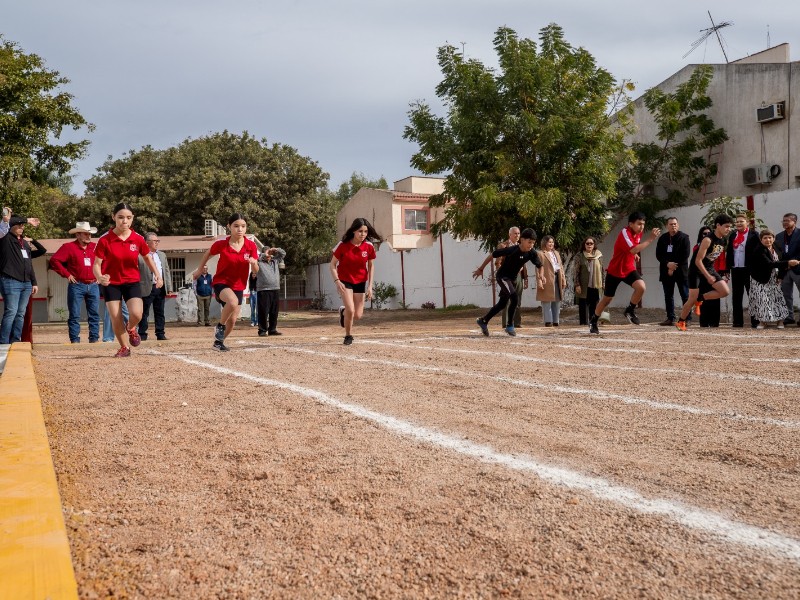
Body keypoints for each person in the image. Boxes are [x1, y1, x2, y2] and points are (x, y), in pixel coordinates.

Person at [93, 203, 162, 357]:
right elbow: (96, 264)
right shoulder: (105, 240)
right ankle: (125, 347)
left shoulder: (137, 239)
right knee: (115, 316)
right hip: (111, 283)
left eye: (128, 218)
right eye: (121, 217)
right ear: (113, 218)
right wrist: (100, 277)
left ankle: (131, 328)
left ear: (132, 219)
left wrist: (157, 274)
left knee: (137, 314)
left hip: (131, 280)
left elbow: (147, 257)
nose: (125, 221)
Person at [191, 213, 259, 352]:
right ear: (229, 227)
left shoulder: (250, 245)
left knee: (233, 321)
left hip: (239, 285)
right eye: (236, 226)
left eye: (243, 226)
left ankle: (218, 342)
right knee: (232, 302)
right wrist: (199, 270)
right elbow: (208, 253)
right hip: (221, 282)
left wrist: (253, 264)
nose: (240, 229)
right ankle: (220, 326)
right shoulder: (222, 244)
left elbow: (256, 269)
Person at [589, 212, 660, 334]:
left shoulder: (638, 233)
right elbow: (633, 248)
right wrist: (651, 239)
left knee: (641, 287)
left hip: (628, 269)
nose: (641, 227)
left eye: (643, 224)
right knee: (607, 299)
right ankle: (594, 320)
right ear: (630, 224)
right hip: (615, 270)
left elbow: (632, 249)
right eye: (639, 224)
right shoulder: (625, 233)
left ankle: (630, 310)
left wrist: (635, 254)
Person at [475, 228, 544, 337]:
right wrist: (481, 269)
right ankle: (510, 325)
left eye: (533, 243)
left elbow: (540, 265)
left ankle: (483, 321)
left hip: (511, 279)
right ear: (522, 240)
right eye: (529, 242)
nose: (531, 245)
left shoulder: (531, 253)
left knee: (502, 303)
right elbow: (493, 255)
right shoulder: (512, 250)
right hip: (502, 276)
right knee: (514, 297)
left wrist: (541, 276)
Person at [675, 214, 733, 331]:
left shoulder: (723, 240)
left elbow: (711, 259)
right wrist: (707, 276)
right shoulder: (707, 240)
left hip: (709, 268)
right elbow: (697, 261)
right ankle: (681, 321)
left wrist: (711, 274)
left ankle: (700, 298)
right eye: (726, 226)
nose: (729, 229)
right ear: (718, 225)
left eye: (729, 227)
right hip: (696, 271)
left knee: (725, 291)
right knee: (691, 300)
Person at [330, 218, 381, 345]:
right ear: (353, 231)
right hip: (345, 280)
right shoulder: (342, 245)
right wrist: (337, 281)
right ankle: (348, 335)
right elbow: (332, 265)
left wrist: (370, 286)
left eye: (365, 231)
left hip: (360, 281)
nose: (363, 234)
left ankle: (343, 311)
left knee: (357, 315)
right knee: (351, 311)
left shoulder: (368, 246)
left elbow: (371, 266)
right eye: (360, 231)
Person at [49, 221, 101, 343]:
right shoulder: (68, 247)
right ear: (78, 235)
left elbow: (104, 261)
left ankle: (94, 339)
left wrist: (100, 275)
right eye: (85, 234)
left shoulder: (95, 247)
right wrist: (67, 274)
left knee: (94, 314)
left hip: (93, 284)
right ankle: (75, 340)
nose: (89, 237)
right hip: (77, 285)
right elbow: (54, 260)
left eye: (90, 234)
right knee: (74, 315)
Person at [0, 214, 46, 344]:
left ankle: (15, 339)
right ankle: (3, 341)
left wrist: (34, 282)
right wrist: (28, 220)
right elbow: (10, 221)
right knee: (11, 311)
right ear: (11, 226)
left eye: (23, 225)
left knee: (20, 313)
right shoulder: (5, 238)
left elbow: (39, 253)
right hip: (10, 280)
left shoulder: (24, 243)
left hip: (26, 283)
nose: (21, 227)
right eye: (19, 224)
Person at [749, 229, 800, 329]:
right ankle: (762, 322)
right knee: (762, 300)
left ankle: (780, 321)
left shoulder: (777, 247)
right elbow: (769, 264)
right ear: (761, 240)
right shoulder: (759, 250)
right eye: (765, 238)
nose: (767, 240)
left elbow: (782, 261)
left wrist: (781, 276)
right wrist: (788, 263)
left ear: (774, 238)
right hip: (760, 279)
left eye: (770, 237)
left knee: (778, 299)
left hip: (774, 278)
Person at [724, 214, 759, 328]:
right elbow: (729, 252)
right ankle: (737, 321)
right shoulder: (733, 234)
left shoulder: (754, 234)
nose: (738, 223)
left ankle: (756, 321)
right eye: (737, 222)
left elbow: (757, 252)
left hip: (749, 269)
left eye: (741, 221)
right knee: (737, 296)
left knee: (752, 295)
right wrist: (727, 268)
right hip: (736, 269)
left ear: (747, 223)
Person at [655, 217, 691, 326]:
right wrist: (667, 265)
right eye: (671, 224)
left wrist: (673, 266)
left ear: (678, 225)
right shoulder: (663, 238)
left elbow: (685, 254)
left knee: (685, 295)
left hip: (681, 271)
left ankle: (687, 318)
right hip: (666, 271)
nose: (673, 226)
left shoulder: (684, 237)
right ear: (667, 226)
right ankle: (670, 318)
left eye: (675, 224)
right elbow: (659, 255)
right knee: (668, 295)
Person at [139, 232, 172, 341]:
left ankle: (160, 333)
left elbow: (166, 271)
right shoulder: (140, 255)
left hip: (160, 288)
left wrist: (169, 287)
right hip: (146, 287)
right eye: (155, 241)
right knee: (144, 312)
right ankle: (142, 334)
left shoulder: (162, 255)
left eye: (158, 241)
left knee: (160, 312)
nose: (157, 243)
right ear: (147, 243)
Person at [774, 213, 800, 326]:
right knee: (786, 294)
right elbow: (778, 253)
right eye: (783, 221)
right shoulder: (779, 236)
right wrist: (785, 264)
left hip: (798, 268)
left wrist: (794, 261)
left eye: (787, 221)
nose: (784, 223)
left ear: (795, 222)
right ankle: (789, 317)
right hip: (784, 270)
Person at [256, 245, 286, 337]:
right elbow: (257, 257)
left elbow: (283, 253)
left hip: (275, 289)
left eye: (270, 253)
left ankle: (272, 329)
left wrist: (275, 249)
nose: (269, 255)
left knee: (274, 311)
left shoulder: (275, 261)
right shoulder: (259, 261)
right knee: (263, 311)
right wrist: (265, 254)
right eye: (267, 253)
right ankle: (262, 330)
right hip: (263, 290)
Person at [536, 235, 566, 326]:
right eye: (549, 242)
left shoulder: (556, 253)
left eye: (552, 242)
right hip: (546, 279)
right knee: (546, 301)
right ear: (545, 243)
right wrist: (539, 281)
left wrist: (563, 279)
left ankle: (556, 321)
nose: (551, 244)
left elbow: (560, 267)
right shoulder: (540, 254)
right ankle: (548, 321)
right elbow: (537, 268)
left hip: (557, 278)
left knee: (557, 300)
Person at [574, 237, 604, 326]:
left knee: (594, 305)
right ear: (584, 245)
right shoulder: (579, 256)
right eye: (587, 243)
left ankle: (593, 323)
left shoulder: (599, 255)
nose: (589, 245)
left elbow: (602, 270)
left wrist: (603, 282)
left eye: (591, 243)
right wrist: (577, 284)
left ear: (594, 245)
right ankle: (583, 324)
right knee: (583, 305)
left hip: (596, 285)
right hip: (583, 285)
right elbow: (576, 271)